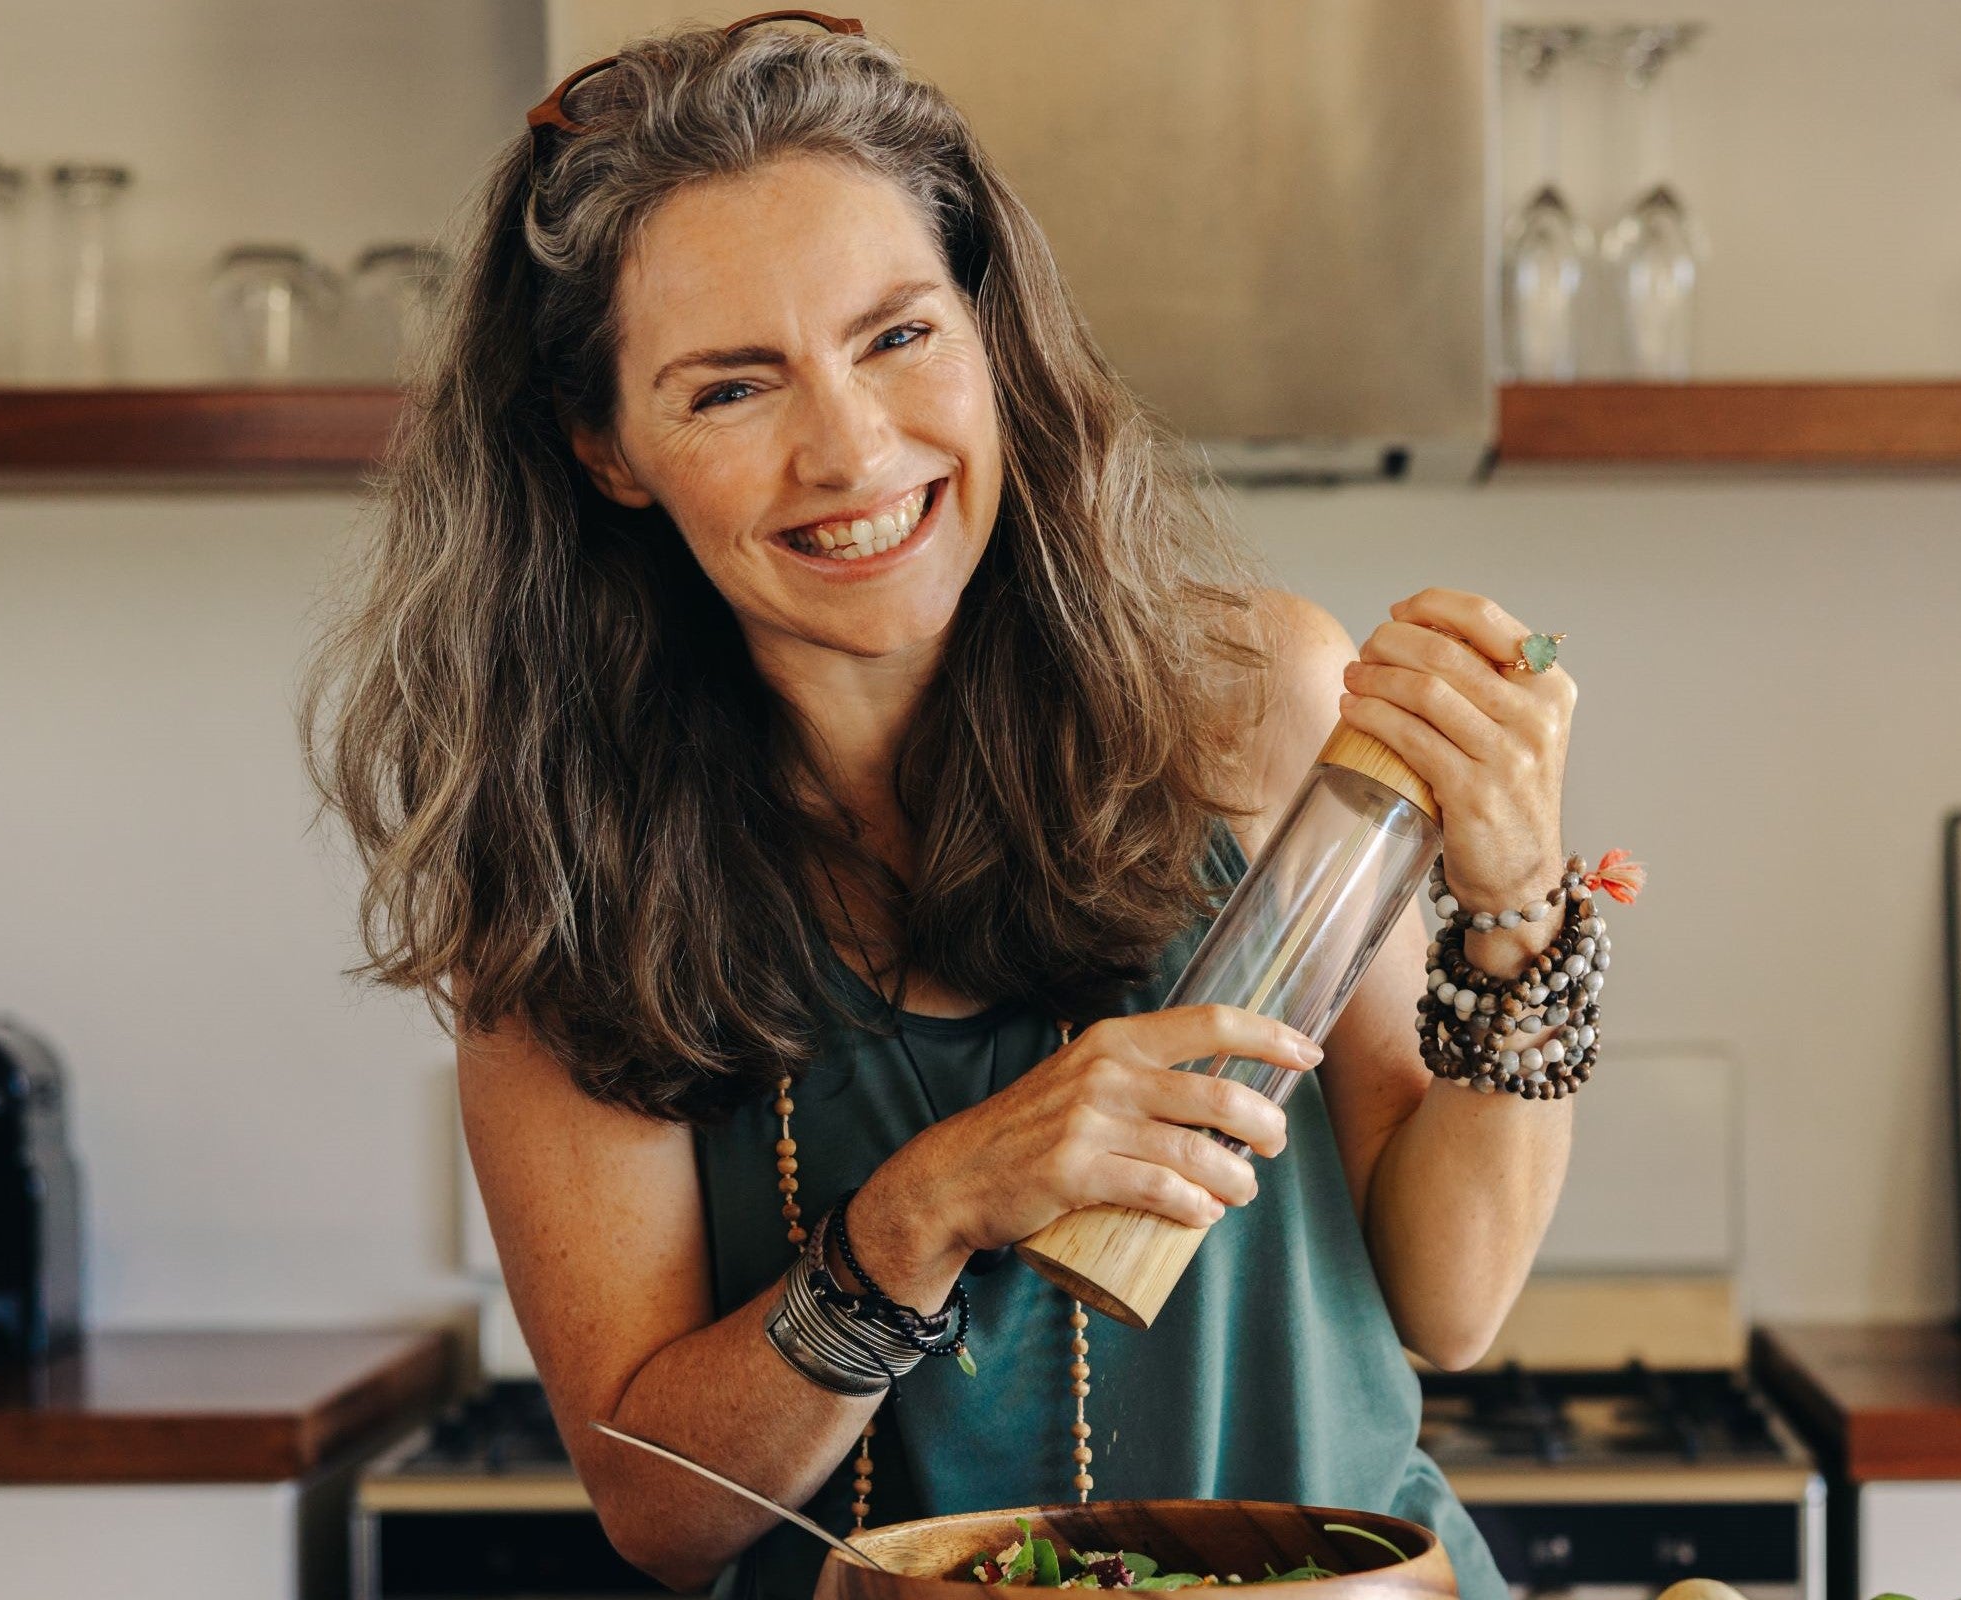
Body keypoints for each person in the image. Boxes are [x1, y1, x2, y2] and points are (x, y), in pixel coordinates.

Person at [308, 16, 1614, 1598]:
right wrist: (924, 1212)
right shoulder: (565, 888)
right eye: (732, 388)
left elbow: (1451, 1303)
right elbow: (663, 1510)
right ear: (608, 451)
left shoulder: (1255, 700)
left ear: (990, 333)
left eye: (899, 336)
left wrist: (1516, 909)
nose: (852, 450)